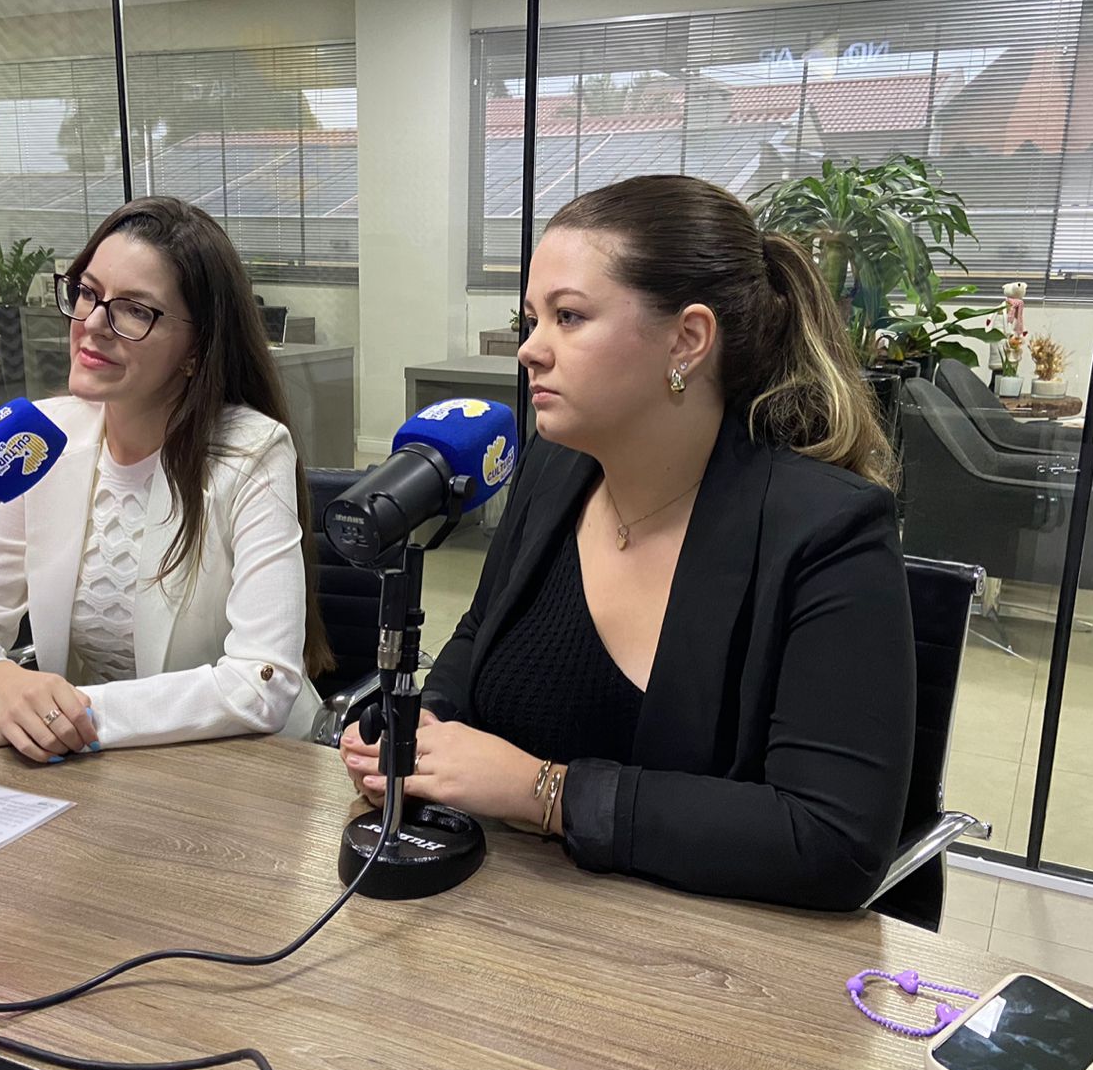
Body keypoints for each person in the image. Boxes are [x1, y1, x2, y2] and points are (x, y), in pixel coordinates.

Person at [339, 175, 915, 911]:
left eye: (569, 317)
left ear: (688, 340)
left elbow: (832, 841)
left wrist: (544, 792)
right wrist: (425, 734)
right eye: (531, 321)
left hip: (692, 953)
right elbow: (482, 636)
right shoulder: (552, 471)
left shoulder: (828, 532)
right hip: (507, 918)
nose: (531, 351)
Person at [0, 197, 332, 762]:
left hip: (246, 768)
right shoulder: (41, 437)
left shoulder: (251, 452)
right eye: (87, 293)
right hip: (93, 767)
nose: (91, 324)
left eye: (134, 310)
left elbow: (262, 685)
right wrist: (1, 685)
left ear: (197, 348)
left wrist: (62, 713)